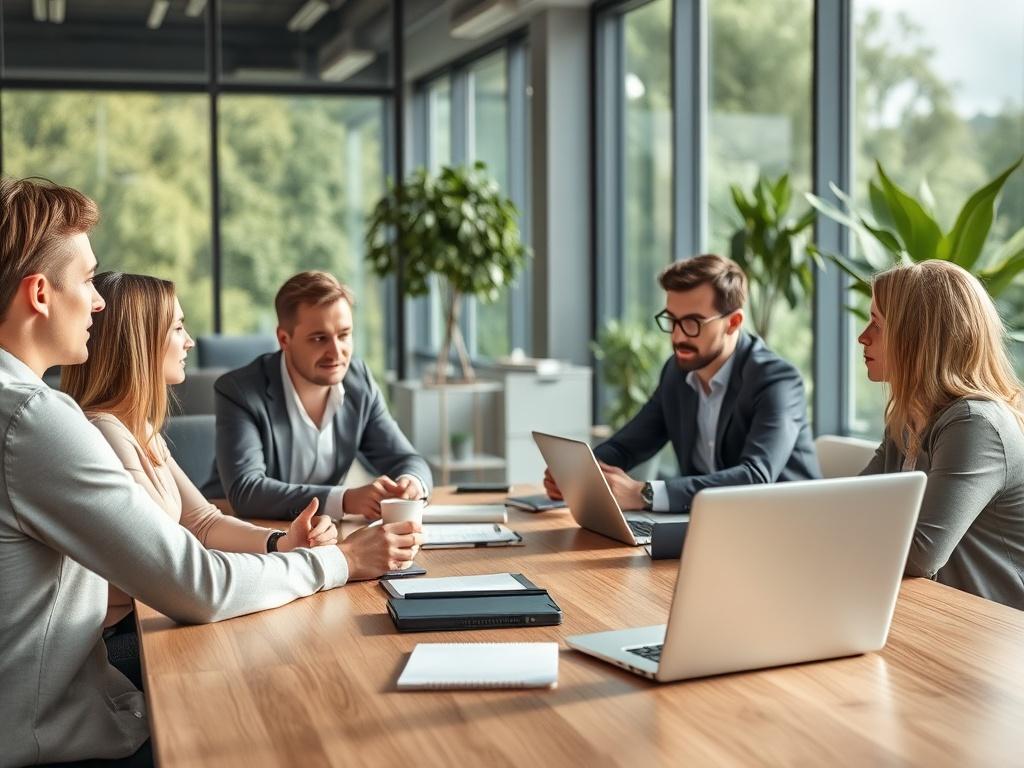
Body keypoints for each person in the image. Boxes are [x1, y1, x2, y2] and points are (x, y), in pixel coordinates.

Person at [0, 177, 421, 767]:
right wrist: (343, 561)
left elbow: (198, 523)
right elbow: (196, 584)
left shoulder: (29, 409)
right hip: (48, 738)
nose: (98, 300)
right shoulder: (35, 418)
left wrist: (283, 544)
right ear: (40, 294)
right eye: (89, 280)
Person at [61, 271, 342, 682]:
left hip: (142, 622)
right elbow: (184, 568)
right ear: (141, 342)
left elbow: (201, 521)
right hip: (112, 645)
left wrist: (281, 543)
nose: (189, 340)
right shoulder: (103, 433)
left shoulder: (139, 430)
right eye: (177, 327)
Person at [546, 254, 819, 512]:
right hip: (710, 524)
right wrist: (581, 475)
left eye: (692, 323)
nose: (677, 337)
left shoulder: (777, 381)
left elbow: (756, 476)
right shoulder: (677, 373)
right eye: (672, 320)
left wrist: (644, 493)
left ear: (733, 322)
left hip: (785, 530)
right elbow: (627, 446)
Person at [858, 260, 1024, 610]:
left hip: (995, 631)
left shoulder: (976, 424)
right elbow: (853, 502)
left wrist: (836, 528)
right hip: (931, 609)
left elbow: (921, 554)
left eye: (877, 323)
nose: (863, 336)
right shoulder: (907, 415)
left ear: (917, 337)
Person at [202, 270, 433, 521]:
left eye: (344, 335)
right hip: (237, 532)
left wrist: (410, 483)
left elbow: (406, 458)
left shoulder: (359, 382)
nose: (336, 352)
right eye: (319, 338)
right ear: (284, 339)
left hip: (317, 535)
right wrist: (345, 499)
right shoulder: (240, 391)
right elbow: (247, 491)